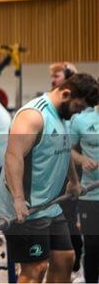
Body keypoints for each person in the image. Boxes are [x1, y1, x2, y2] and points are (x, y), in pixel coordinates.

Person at [0, 73, 99, 283]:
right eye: (78, 106)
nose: (79, 112)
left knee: (64, 259)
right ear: (66, 93)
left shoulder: (63, 116)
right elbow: (13, 156)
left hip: (48, 205)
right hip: (27, 207)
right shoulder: (34, 115)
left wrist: (74, 182)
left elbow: (64, 148)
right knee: (36, 268)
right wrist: (17, 198)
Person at [49, 61, 83, 282]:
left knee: (69, 218)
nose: (53, 79)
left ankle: (75, 266)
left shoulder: (77, 108)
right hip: (56, 169)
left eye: (57, 75)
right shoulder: (52, 105)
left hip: (72, 169)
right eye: (51, 76)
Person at [71, 101, 99, 283]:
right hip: (90, 193)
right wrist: (82, 159)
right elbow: (68, 149)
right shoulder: (81, 120)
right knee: (92, 245)